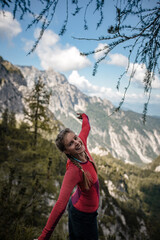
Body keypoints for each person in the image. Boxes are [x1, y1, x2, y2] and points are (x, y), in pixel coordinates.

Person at [35, 113, 99, 240]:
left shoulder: (82, 145)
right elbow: (59, 205)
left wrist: (85, 116)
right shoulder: (73, 170)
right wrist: (44, 237)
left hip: (88, 211)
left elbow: (86, 128)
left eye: (75, 138)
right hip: (82, 215)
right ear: (66, 151)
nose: (77, 142)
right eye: (70, 143)